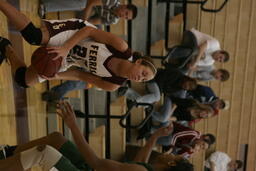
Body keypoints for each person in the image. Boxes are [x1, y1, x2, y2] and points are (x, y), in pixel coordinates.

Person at [0, 1, 156, 92]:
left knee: (24, 80)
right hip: (76, 34)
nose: (139, 78)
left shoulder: (113, 84)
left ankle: (5, 47)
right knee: (34, 37)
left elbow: (79, 75)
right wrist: (66, 47)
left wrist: (56, 76)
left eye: (143, 80)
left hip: (71, 57)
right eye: (143, 73)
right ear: (138, 62)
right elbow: (89, 30)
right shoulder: (121, 47)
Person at [0, 101, 188, 171]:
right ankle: (6, 154)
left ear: (172, 163)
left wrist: (73, 126)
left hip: (92, 168)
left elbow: (96, 163)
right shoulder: (147, 169)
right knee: (56, 139)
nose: (171, 153)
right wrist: (154, 137)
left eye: (175, 156)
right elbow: (139, 161)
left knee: (44, 152)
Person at [119, 68, 197, 104]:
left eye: (189, 88)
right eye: (189, 84)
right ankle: (135, 101)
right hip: (153, 77)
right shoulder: (178, 74)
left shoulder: (178, 89)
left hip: (155, 87)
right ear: (188, 79)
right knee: (156, 98)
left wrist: (158, 92)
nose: (187, 87)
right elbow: (161, 78)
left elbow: (165, 91)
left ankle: (128, 92)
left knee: (150, 102)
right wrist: (159, 92)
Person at [39, 0, 138, 26]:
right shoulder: (113, 1)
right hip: (88, 2)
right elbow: (91, 3)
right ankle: (46, 6)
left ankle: (49, 27)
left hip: (89, 9)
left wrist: (84, 24)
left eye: (126, 17)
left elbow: (94, 21)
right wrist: (85, 21)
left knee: (86, 27)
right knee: (82, 4)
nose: (123, 16)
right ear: (125, 6)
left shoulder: (113, 20)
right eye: (126, 13)